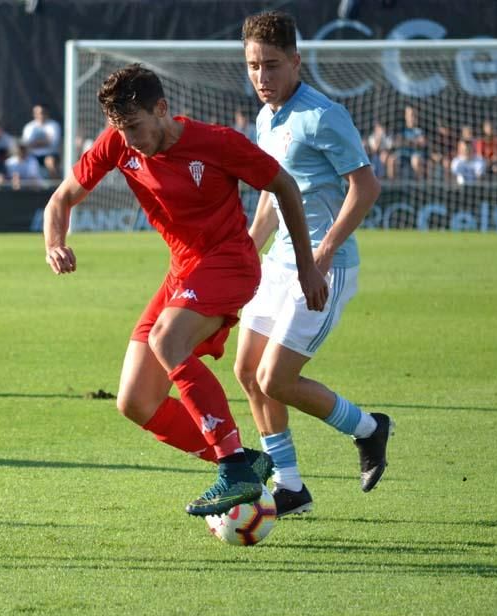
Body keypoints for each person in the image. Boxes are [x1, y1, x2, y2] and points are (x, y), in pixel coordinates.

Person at [42, 63, 328, 517]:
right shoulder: (118, 142)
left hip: (230, 263)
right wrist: (54, 243)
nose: (129, 139)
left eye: (135, 126)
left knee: (166, 339)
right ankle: (241, 461)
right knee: (135, 401)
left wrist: (308, 266)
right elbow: (61, 199)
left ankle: (233, 465)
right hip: (183, 272)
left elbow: (284, 186)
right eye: (120, 129)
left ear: (162, 109)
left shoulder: (215, 143)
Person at [234, 10, 390, 517]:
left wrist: (319, 259)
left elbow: (364, 189)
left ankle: (369, 428)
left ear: (297, 61)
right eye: (254, 65)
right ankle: (291, 486)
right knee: (245, 371)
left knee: (276, 378)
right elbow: (271, 197)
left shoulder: (324, 115)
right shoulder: (264, 117)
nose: (262, 77)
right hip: (280, 264)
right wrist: (245, 254)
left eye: (272, 65)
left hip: (325, 264)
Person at [21, 104, 61, 178]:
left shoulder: (54, 125)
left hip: (49, 154)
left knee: (50, 162)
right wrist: (45, 141)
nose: (40, 115)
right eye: (37, 113)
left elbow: (53, 143)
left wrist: (35, 143)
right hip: (32, 156)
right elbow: (26, 144)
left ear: (46, 113)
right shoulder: (29, 127)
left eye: (42, 113)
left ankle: (56, 186)